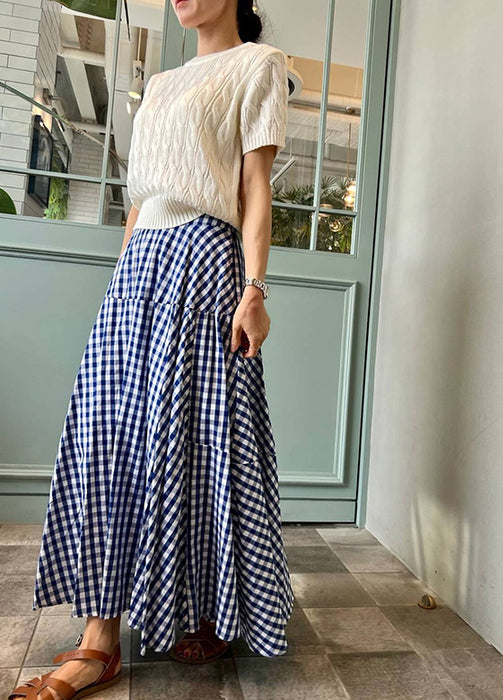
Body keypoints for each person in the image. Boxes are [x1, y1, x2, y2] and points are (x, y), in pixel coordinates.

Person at [9, 1, 294, 698]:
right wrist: (119, 283)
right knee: (110, 435)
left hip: (204, 258)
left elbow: (254, 188)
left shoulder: (258, 65)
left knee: (194, 437)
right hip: (140, 269)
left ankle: (205, 607)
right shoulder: (162, 83)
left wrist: (254, 289)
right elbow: (140, 199)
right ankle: (99, 637)